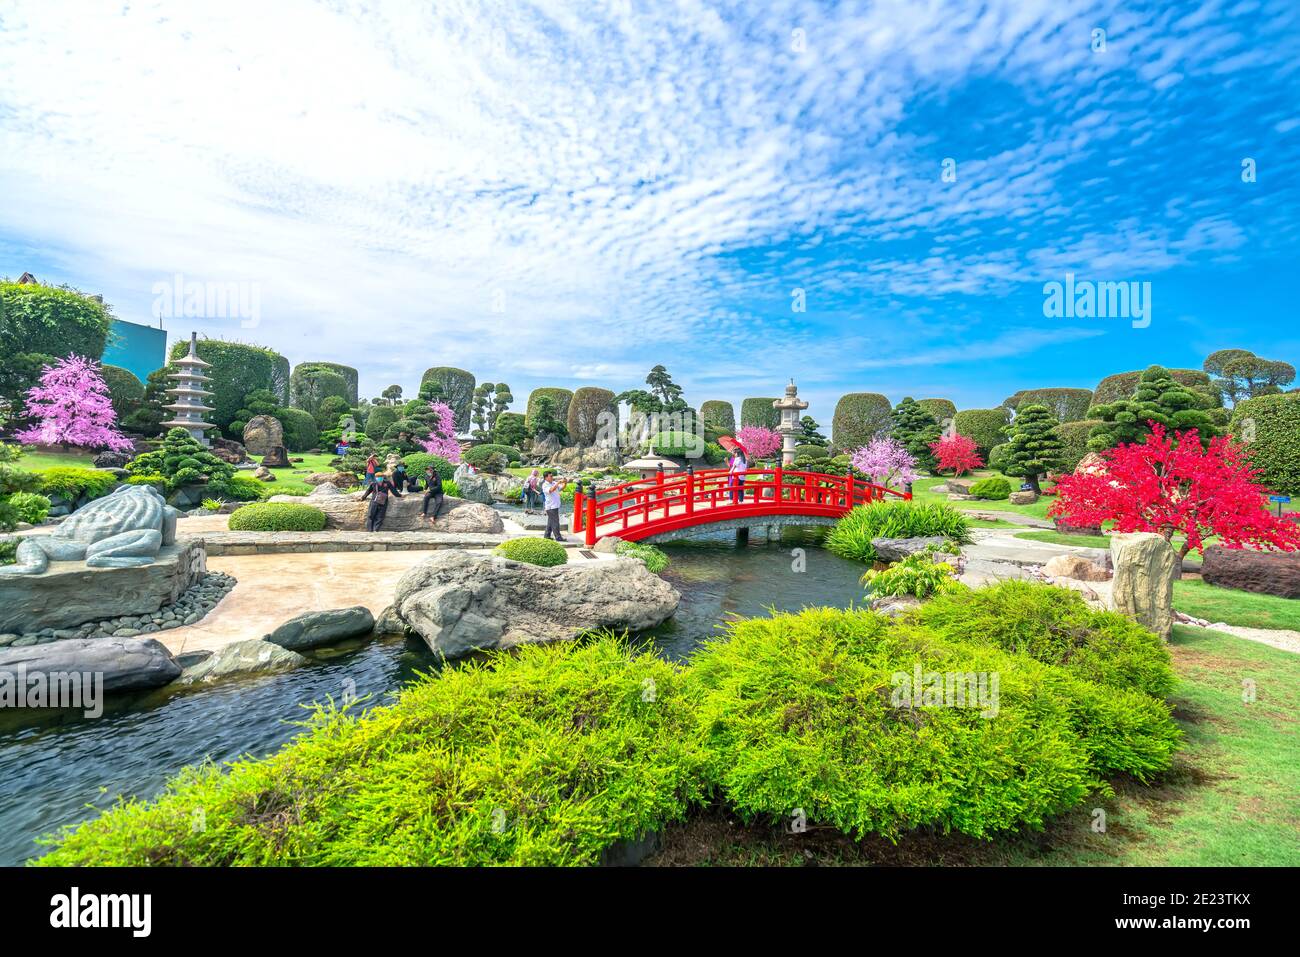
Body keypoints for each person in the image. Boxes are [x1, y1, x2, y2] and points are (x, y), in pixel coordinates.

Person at [541, 470, 567, 541]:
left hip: (555, 505)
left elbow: (561, 488)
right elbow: (551, 490)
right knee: (555, 522)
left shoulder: (553, 482)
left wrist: (565, 482)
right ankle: (558, 537)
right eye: (551, 476)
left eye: (552, 476)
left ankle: (547, 536)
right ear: (546, 478)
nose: (552, 477)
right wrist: (558, 482)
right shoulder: (545, 485)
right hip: (550, 506)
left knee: (550, 522)